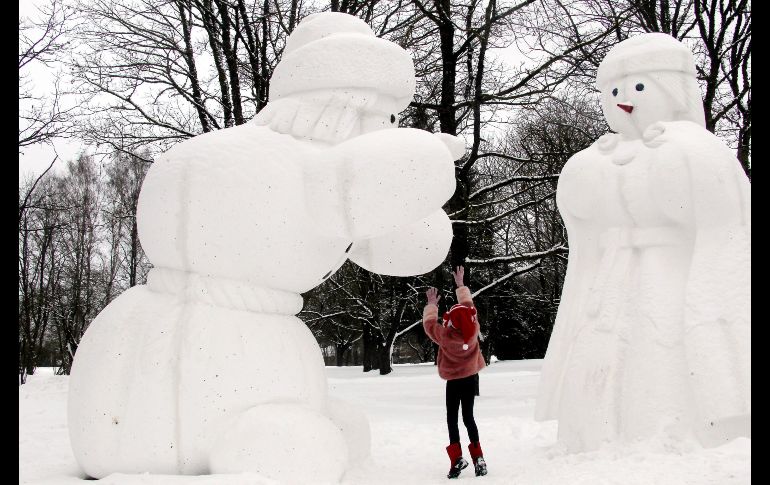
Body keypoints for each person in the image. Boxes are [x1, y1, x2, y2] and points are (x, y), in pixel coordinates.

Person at [423, 266, 487, 478]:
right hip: (470, 379)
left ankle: (457, 459)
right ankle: (479, 459)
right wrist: (460, 285)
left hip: (454, 382)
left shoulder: (445, 336)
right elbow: (469, 306)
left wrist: (432, 305)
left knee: (452, 418)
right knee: (468, 417)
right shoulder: (473, 329)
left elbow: (430, 325)